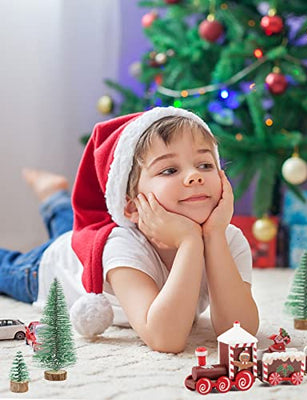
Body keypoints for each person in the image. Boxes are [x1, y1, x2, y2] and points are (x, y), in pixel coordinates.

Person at [0, 107, 259, 353]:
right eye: (169, 170)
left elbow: (239, 332)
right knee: (8, 267)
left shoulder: (226, 237)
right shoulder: (123, 246)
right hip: (50, 266)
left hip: (91, 244)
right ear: (131, 207)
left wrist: (212, 237)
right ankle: (55, 200)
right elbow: (165, 338)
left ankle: (54, 197)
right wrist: (190, 242)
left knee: (68, 224)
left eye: (205, 165)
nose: (195, 176)